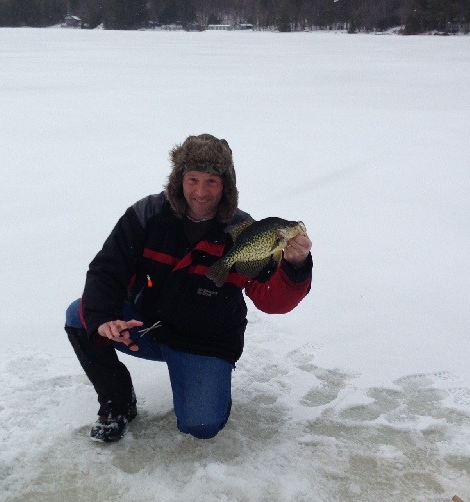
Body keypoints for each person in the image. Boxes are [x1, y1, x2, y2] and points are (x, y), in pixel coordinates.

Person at [64, 134, 312, 443]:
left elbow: (273, 301)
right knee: (81, 315)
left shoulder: (243, 231)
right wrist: (104, 319)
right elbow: (107, 271)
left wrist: (295, 265)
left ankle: (212, 390)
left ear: (226, 186)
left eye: (211, 181)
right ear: (179, 179)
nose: (200, 191)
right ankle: (117, 403)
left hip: (205, 342)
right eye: (192, 179)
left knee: (201, 426)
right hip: (146, 327)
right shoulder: (146, 216)